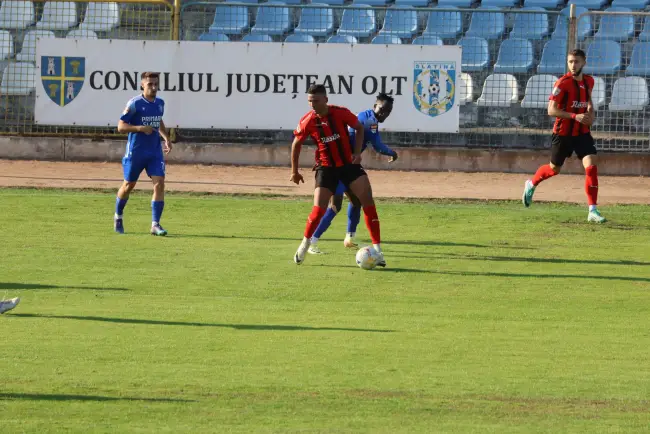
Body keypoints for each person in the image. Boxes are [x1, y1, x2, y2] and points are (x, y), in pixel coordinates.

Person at [290, 84, 385, 267]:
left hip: (348, 166)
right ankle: (305, 244)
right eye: (310, 101)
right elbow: (296, 144)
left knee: (368, 203)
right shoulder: (308, 120)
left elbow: (359, 128)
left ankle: (378, 252)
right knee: (319, 210)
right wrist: (294, 171)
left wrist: (357, 153)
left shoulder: (340, 113)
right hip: (326, 169)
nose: (312, 105)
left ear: (325, 99)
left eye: (316, 101)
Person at [522, 49, 606, 223]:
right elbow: (551, 110)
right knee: (554, 169)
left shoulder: (590, 81)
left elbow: (588, 102)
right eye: (570, 62)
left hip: (582, 132)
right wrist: (575, 116)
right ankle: (531, 183)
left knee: (591, 166)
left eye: (576, 61)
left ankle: (593, 210)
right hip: (563, 133)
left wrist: (591, 112)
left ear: (584, 62)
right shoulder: (563, 83)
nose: (573, 65)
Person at [308, 93, 398, 255]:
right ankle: (313, 241)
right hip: (339, 167)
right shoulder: (370, 120)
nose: (384, 113)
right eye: (382, 109)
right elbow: (377, 146)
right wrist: (392, 153)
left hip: (346, 166)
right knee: (335, 206)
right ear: (375, 106)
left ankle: (350, 237)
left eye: (389, 111)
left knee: (356, 201)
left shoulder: (365, 115)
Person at [114, 71, 172, 236]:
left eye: (156, 84)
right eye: (150, 84)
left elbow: (158, 120)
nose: (153, 88)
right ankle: (118, 216)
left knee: (159, 183)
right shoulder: (135, 104)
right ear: (142, 85)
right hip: (136, 152)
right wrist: (139, 128)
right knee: (128, 185)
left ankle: (155, 224)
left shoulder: (160, 103)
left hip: (154, 151)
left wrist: (166, 137)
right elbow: (121, 126)